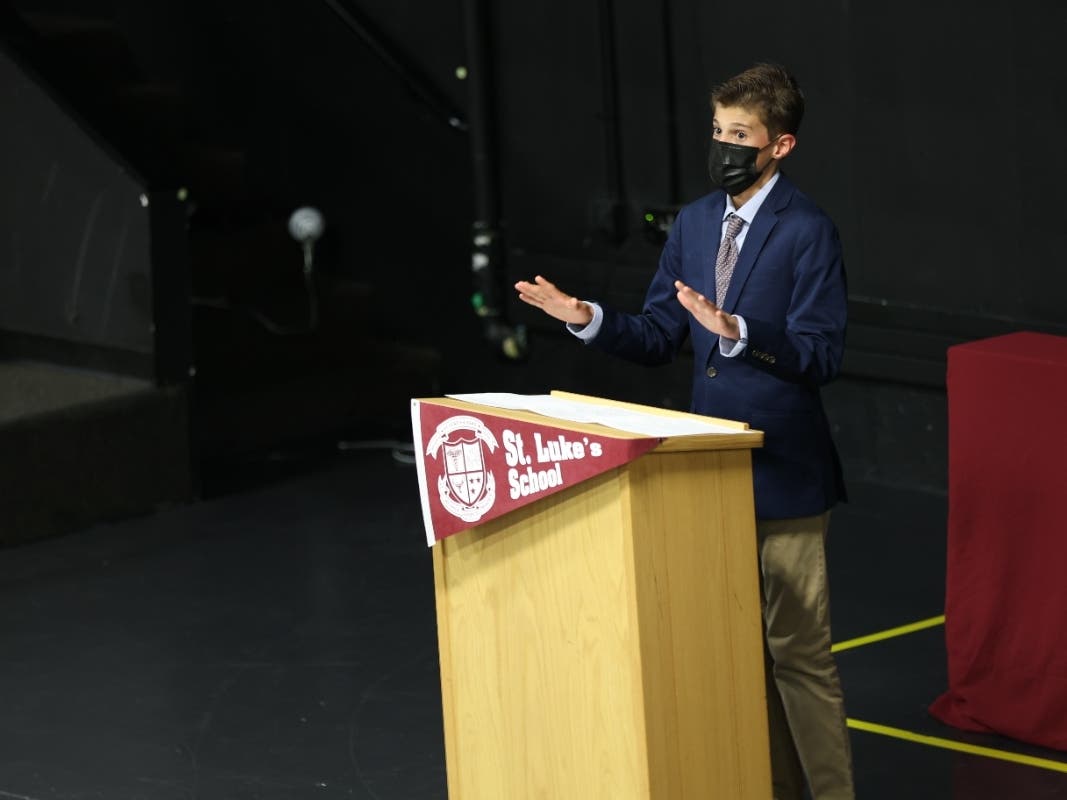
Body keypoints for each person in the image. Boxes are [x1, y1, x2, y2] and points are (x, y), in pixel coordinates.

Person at [514, 62, 853, 800]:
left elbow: (820, 354)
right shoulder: (696, 222)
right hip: (707, 471)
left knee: (797, 653)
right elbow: (660, 331)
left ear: (780, 146)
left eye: (740, 135)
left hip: (785, 473)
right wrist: (585, 319)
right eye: (716, 131)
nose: (723, 146)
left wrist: (738, 331)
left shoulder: (808, 232)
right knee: (731, 651)